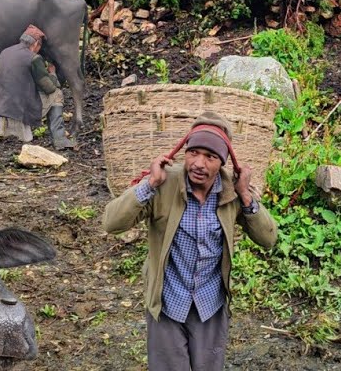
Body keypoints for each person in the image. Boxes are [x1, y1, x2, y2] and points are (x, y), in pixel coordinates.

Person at [103, 113, 277, 371]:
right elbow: (112, 223)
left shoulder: (231, 191)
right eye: (193, 152)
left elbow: (268, 238)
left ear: (223, 163)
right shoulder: (164, 183)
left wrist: (245, 195)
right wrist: (149, 183)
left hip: (210, 305)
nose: (199, 163)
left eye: (211, 157)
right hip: (168, 303)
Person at [0, 25, 75, 150]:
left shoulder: (5, 52)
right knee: (57, 94)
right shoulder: (34, 58)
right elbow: (49, 88)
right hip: (19, 109)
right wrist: (52, 73)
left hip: (0, 106)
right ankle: (59, 139)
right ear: (36, 43)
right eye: (40, 46)